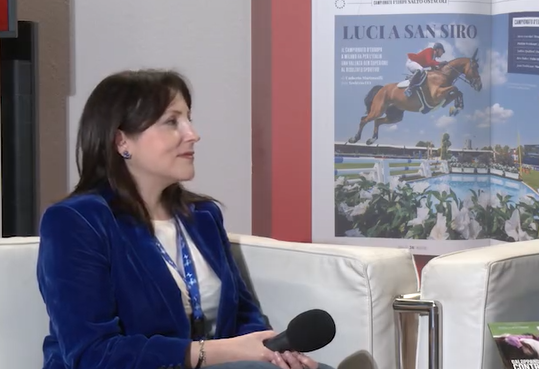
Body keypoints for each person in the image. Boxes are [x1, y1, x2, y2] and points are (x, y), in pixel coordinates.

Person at [37, 70, 373, 369]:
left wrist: (272, 352)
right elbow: (93, 355)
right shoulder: (76, 222)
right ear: (122, 140)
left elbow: (243, 315)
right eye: (172, 122)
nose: (193, 134)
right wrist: (215, 353)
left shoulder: (202, 217)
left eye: (189, 119)